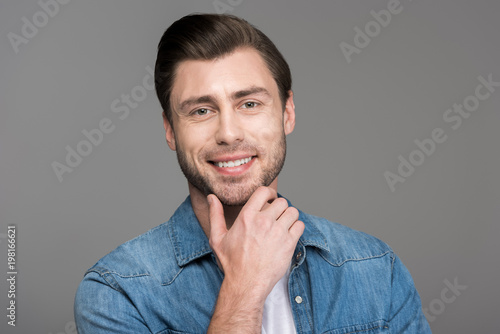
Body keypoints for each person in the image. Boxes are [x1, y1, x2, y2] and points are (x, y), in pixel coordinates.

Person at [74, 13, 431, 333]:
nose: (228, 133)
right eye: (201, 110)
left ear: (287, 113)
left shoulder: (375, 270)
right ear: (170, 130)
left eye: (249, 104)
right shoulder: (118, 292)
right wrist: (243, 290)